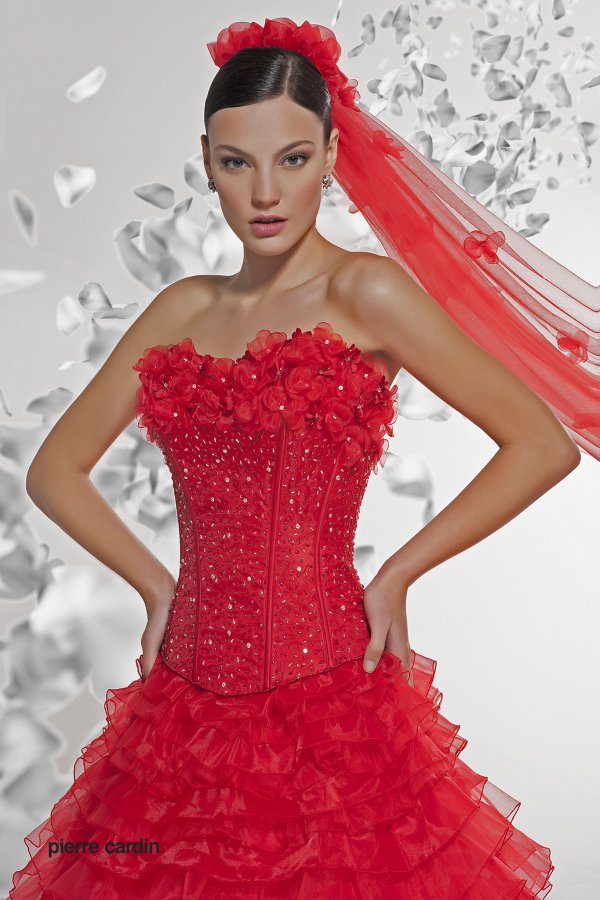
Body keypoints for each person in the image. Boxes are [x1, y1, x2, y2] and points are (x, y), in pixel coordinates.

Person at [9, 15, 584, 899]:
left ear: (331, 156)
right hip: (181, 707)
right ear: (207, 163)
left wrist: (397, 574)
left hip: (331, 698)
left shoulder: (368, 291)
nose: (266, 192)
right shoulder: (182, 309)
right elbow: (54, 472)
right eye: (237, 163)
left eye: (293, 158)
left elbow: (541, 445)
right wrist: (158, 588)